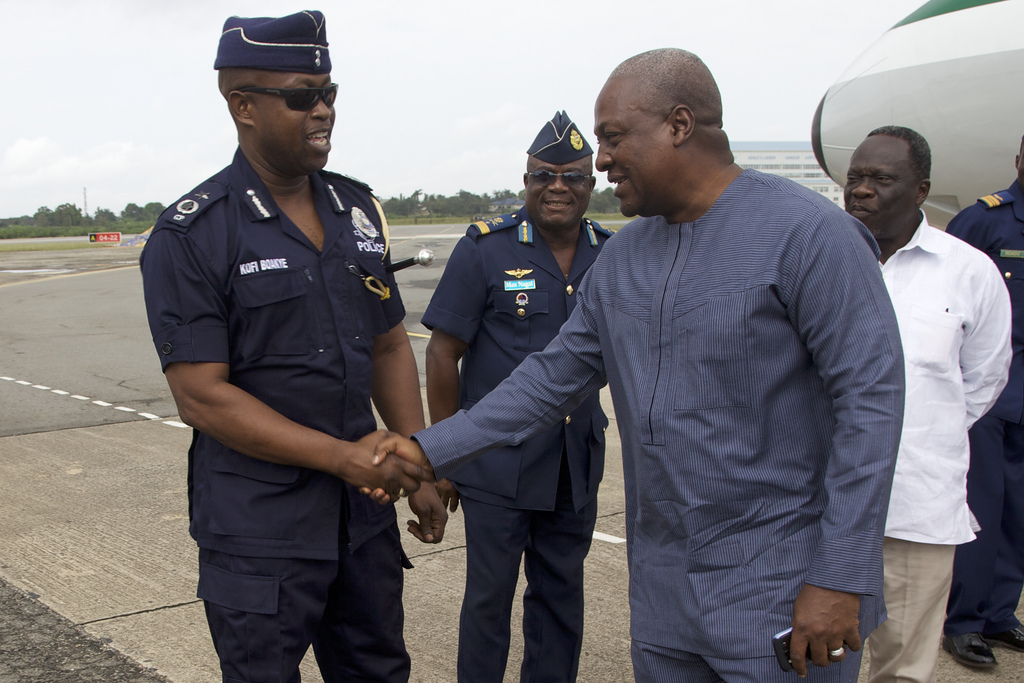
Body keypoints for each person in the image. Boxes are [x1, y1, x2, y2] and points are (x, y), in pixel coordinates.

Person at [376, 48, 905, 682]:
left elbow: (871, 404)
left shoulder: (810, 235)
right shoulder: (625, 259)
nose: (600, 160)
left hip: (782, 595)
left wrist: (840, 575)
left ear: (678, 125)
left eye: (613, 137)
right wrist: (427, 450)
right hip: (664, 602)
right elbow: (548, 380)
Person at [139, 11, 444, 683]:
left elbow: (389, 345)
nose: (323, 110)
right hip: (260, 532)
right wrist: (342, 457)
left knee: (379, 671)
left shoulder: (356, 211)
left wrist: (419, 461)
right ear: (242, 106)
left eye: (329, 92)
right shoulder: (194, 234)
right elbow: (202, 397)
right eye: (302, 96)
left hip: (362, 520)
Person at [423, 111, 610, 682]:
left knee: (560, 602)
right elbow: (442, 353)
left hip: (573, 466)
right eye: (543, 175)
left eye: (572, 177)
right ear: (526, 181)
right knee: (488, 604)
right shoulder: (486, 249)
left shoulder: (611, 252)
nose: (557, 187)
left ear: (590, 184)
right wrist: (447, 457)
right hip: (496, 467)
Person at [843, 127, 1011, 683]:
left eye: (881, 178)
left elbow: (983, 380)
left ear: (921, 190)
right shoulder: (818, 259)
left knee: (903, 671)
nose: (862, 189)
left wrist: (921, 430)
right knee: (806, 661)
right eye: (855, 177)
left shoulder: (969, 272)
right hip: (819, 507)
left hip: (916, 509)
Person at [941, 135, 1024, 669]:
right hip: (989, 392)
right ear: (1018, 160)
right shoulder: (984, 220)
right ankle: (964, 621)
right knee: (980, 507)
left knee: (1018, 511)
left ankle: (999, 613)